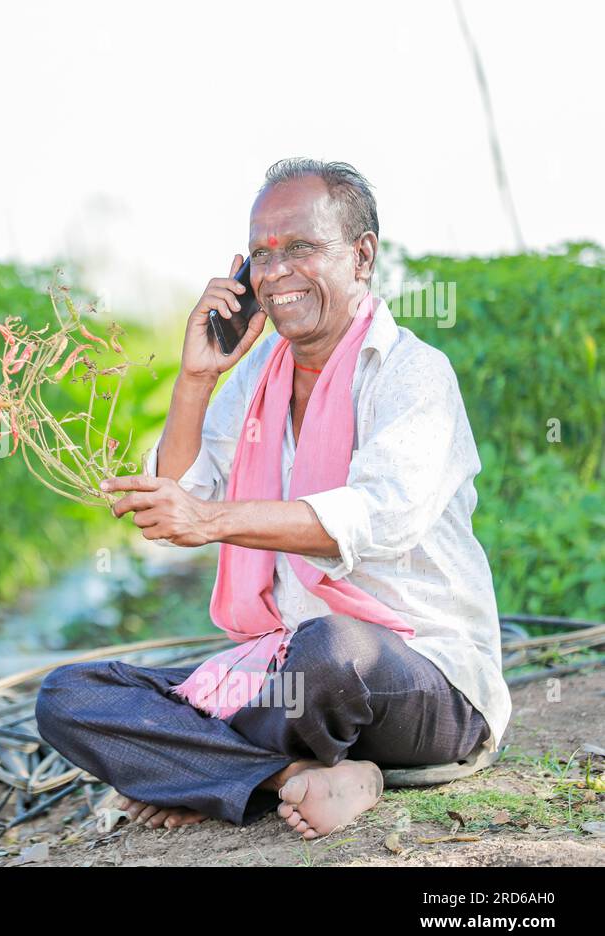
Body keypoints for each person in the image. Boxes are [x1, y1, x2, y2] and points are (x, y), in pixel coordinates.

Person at [34, 158, 511, 839]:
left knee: (328, 651)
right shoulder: (258, 375)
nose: (275, 272)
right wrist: (197, 378)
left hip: (416, 680)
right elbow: (176, 503)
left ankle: (200, 772)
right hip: (284, 672)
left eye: (301, 248)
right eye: (260, 254)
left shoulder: (413, 374)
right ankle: (297, 775)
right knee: (70, 696)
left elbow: (375, 517)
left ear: (362, 255)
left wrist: (210, 520)